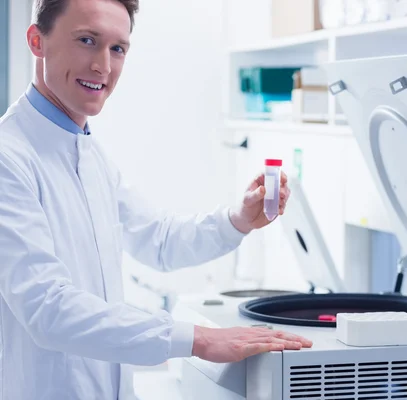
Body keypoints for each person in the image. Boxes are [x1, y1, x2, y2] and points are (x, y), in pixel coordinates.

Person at [0, 0, 312, 399]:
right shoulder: (9, 158)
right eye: (87, 40)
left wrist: (239, 219)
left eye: (118, 49)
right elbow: (47, 308)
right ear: (35, 41)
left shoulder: (89, 155)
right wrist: (197, 339)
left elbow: (157, 240)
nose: (103, 66)